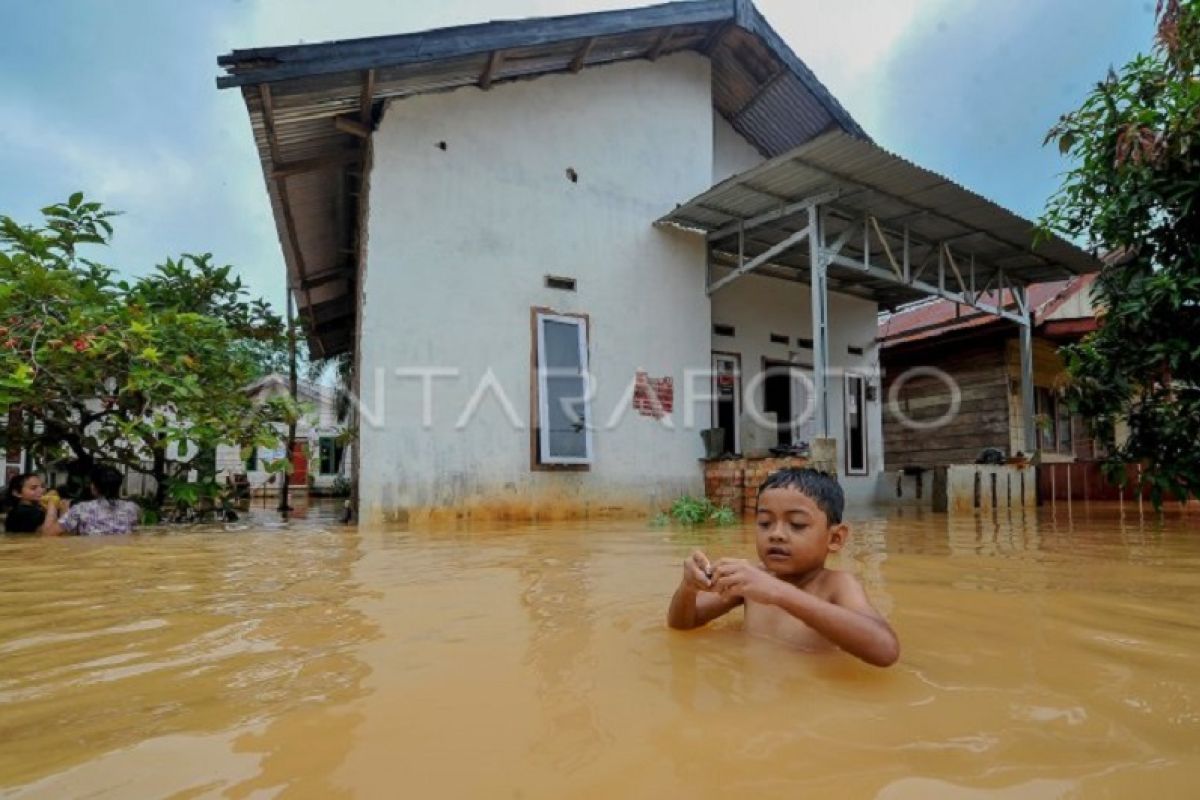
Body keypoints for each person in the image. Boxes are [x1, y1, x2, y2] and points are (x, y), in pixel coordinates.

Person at [667, 468, 900, 667]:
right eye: (765, 523)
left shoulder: (837, 585)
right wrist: (688, 588)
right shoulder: (752, 580)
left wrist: (779, 592)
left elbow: (886, 650)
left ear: (835, 538)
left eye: (797, 525)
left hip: (809, 705)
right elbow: (682, 625)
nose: (776, 534)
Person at [44, 464, 139, 536]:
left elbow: (49, 534)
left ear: (94, 487)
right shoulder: (132, 509)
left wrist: (52, 505)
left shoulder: (81, 509)